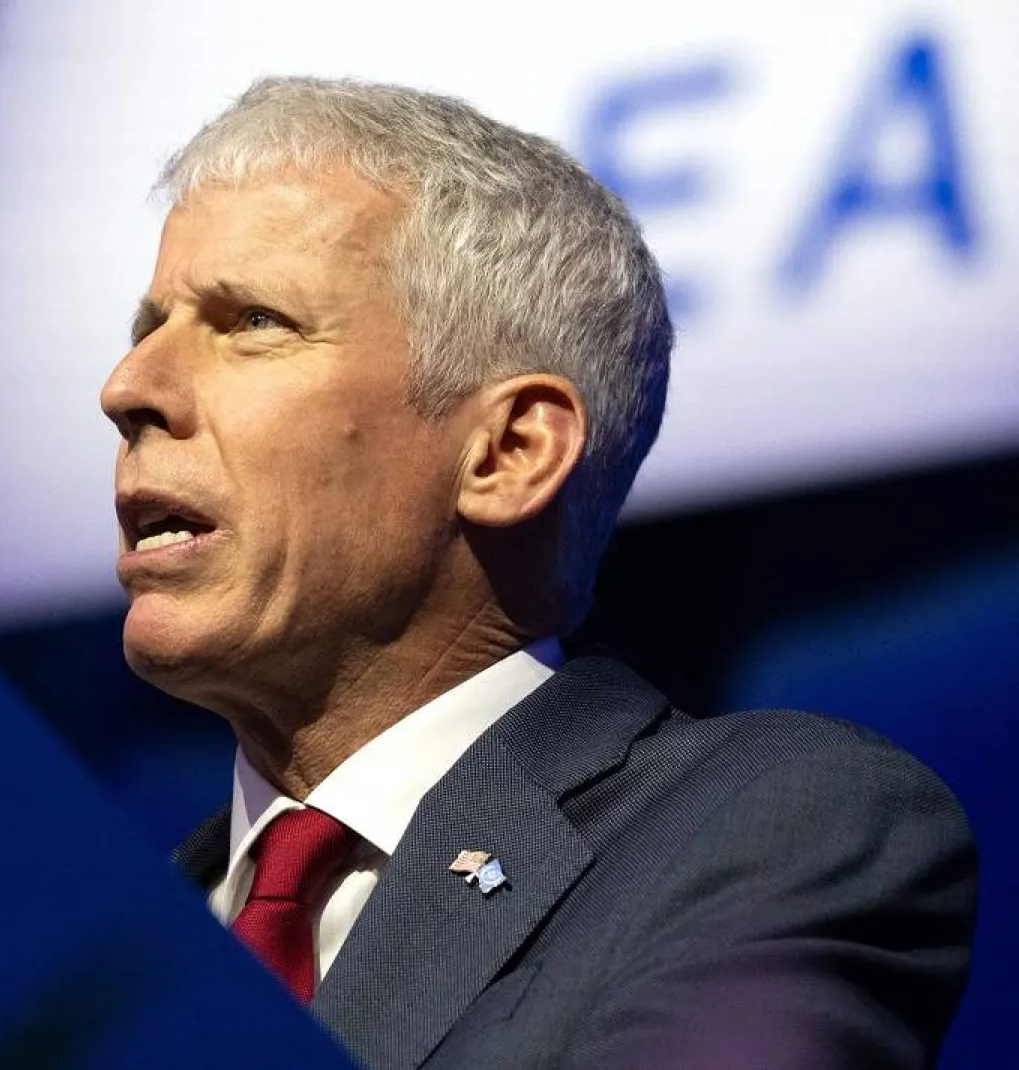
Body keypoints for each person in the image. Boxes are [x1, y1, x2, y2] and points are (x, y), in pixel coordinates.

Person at [100, 77, 976, 1069]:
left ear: (508, 452)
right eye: (147, 328)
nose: (127, 388)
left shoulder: (767, 828)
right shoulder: (94, 956)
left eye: (253, 321)